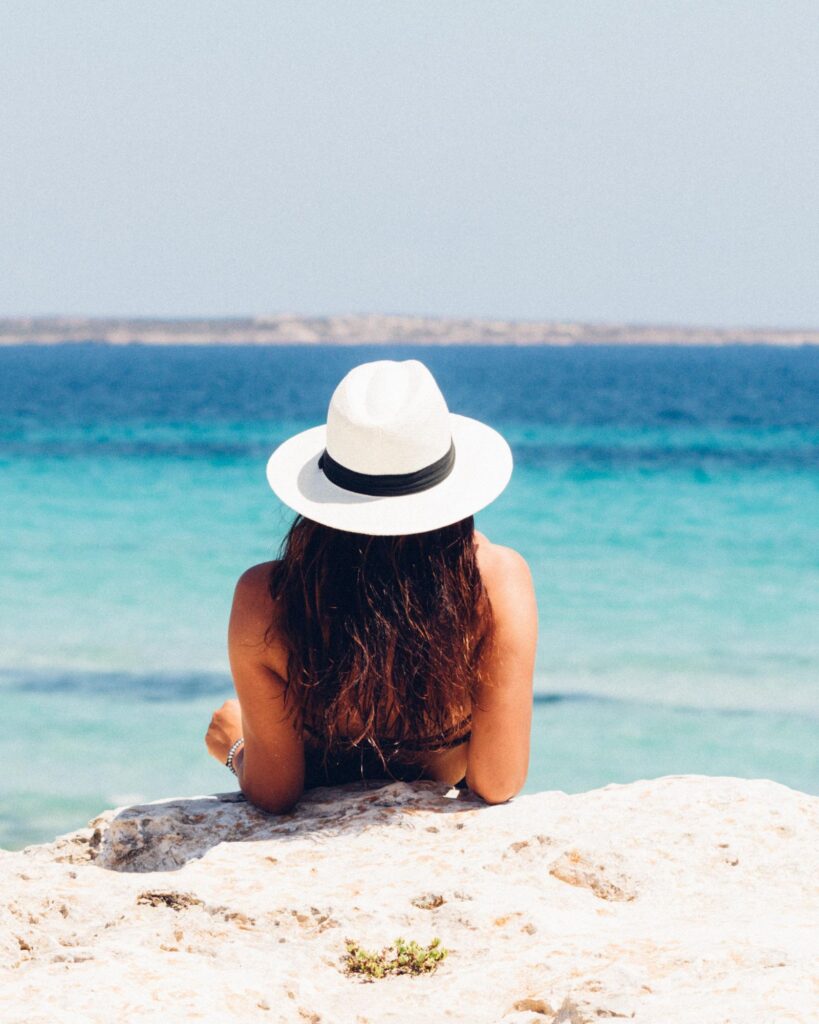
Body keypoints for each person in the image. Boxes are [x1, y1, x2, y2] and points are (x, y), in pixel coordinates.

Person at [205, 358, 537, 812]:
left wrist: (234, 745)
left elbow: (275, 793)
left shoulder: (267, 598)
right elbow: (498, 781)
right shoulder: (496, 582)